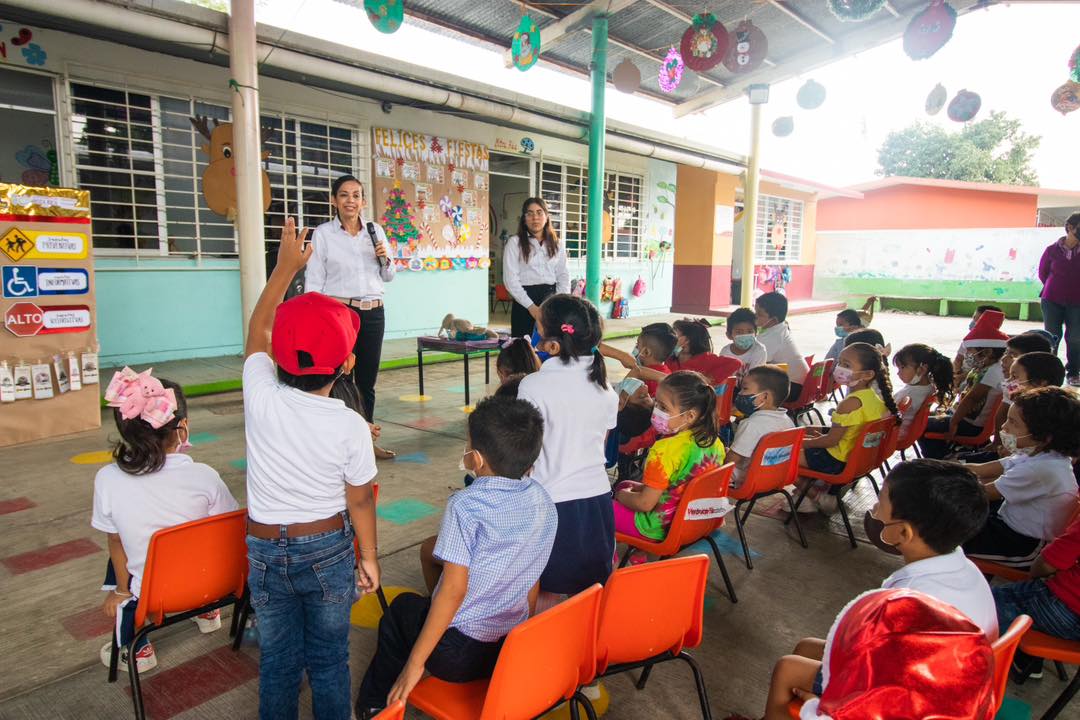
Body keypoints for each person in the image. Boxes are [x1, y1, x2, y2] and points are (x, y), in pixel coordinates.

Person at [243, 218, 380, 720]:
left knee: (278, 661)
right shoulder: (348, 423)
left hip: (262, 547)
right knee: (328, 660)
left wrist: (283, 270)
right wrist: (369, 557)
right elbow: (360, 499)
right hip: (326, 549)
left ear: (279, 355)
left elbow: (258, 328)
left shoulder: (259, 393)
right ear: (347, 365)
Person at [736, 459, 997, 720]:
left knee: (787, 669)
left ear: (903, 533)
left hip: (912, 701)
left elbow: (888, 693)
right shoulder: (966, 570)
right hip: (940, 680)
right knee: (806, 648)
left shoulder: (911, 603)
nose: (873, 510)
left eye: (880, 504)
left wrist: (822, 705)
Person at [356, 396, 557, 716]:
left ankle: (374, 705)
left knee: (400, 611)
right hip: (508, 650)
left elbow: (453, 591)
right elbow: (530, 576)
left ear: (475, 459)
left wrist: (414, 665)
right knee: (431, 596)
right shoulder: (543, 501)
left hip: (459, 655)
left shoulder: (465, 506)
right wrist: (518, 634)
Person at [92, 369, 237, 673]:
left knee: (119, 543)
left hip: (154, 596)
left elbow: (115, 541)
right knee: (199, 532)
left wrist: (120, 589)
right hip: (215, 585)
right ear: (182, 428)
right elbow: (230, 527)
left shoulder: (107, 479)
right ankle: (208, 615)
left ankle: (136, 649)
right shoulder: (205, 475)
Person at [734, 589, 994, 720]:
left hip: (891, 682)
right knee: (806, 649)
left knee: (788, 667)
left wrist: (817, 703)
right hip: (907, 677)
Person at [518, 295, 618, 601]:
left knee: (546, 597)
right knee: (588, 593)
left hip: (551, 505)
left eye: (537, 328)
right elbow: (599, 447)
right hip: (598, 504)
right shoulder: (605, 387)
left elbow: (525, 455)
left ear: (552, 345)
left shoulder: (533, 385)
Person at [306, 174, 397, 459]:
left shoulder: (375, 232)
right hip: (339, 314)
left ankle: (366, 442)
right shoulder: (323, 234)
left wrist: (385, 258)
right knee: (337, 378)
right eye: (344, 195)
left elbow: (389, 275)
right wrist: (317, 319)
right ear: (335, 200)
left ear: (363, 201)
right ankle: (336, 444)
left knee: (366, 381)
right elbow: (314, 280)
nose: (351, 200)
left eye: (356, 195)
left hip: (373, 312)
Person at [963, 386, 1080, 567]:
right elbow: (981, 470)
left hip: (1022, 545)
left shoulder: (1042, 469)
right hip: (1006, 524)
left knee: (939, 536)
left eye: (1013, 422)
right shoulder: (1036, 453)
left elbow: (981, 494)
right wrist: (938, 468)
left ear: (1044, 436)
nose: (1004, 426)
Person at [612, 371, 725, 540]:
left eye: (663, 407)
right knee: (625, 484)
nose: (655, 411)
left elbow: (645, 504)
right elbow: (679, 483)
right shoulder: (715, 443)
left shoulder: (664, 450)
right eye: (655, 402)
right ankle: (639, 553)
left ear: (690, 415)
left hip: (659, 527)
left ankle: (611, 558)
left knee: (598, 508)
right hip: (695, 519)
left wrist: (620, 496)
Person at [798, 342, 898, 490]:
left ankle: (812, 497)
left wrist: (801, 443)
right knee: (807, 437)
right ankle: (812, 493)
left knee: (783, 456)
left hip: (835, 460)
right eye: (840, 362)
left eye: (847, 365)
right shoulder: (875, 399)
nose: (840, 368)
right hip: (857, 460)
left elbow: (831, 441)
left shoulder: (850, 403)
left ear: (868, 374)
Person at [993, 512, 1080, 679]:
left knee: (983, 605)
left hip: (1063, 608)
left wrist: (1034, 578)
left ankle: (973, 668)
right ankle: (1024, 658)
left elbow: (1047, 564)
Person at [919, 310, 1008, 459]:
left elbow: (972, 398)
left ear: (988, 352)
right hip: (962, 417)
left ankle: (940, 460)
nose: (968, 355)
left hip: (970, 425)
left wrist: (953, 422)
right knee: (929, 417)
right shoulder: (984, 367)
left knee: (919, 426)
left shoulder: (993, 371)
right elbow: (964, 387)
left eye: (971, 351)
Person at [502, 197, 570, 337]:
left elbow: (564, 276)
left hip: (551, 301)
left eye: (539, 213)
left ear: (546, 217)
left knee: (552, 346)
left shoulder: (558, 244)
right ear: (524, 218)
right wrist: (531, 307)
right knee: (524, 350)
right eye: (530, 213)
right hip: (524, 302)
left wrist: (559, 303)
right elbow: (510, 280)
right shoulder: (514, 243)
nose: (535, 218)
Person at [726, 365, 795, 488]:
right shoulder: (788, 421)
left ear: (765, 397)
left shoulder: (751, 424)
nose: (740, 393)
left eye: (745, 389)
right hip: (776, 478)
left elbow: (731, 461)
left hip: (749, 479)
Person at [1039, 212, 1080, 386]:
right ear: (1070, 227)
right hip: (1051, 300)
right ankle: (1051, 373)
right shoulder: (1052, 249)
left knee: (1075, 337)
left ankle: (1073, 372)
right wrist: (1055, 287)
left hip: (1077, 302)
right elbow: (1043, 273)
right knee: (1051, 336)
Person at [755, 292, 809, 403]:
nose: (755, 317)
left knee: (747, 385)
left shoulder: (773, 336)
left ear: (774, 320)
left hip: (792, 388)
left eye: (759, 314)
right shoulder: (780, 329)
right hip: (801, 385)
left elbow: (756, 361)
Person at [891, 343, 953, 435]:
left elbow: (886, 415)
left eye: (902, 367)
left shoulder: (910, 393)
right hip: (907, 432)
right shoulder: (930, 388)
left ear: (922, 369)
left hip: (893, 435)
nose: (898, 373)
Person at [667, 317, 742, 385]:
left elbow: (736, 363)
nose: (671, 338)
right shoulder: (672, 356)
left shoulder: (707, 359)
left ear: (687, 340)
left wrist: (708, 379)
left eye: (675, 335)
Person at [953, 304, 1003, 385]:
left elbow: (981, 369)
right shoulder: (970, 340)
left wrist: (961, 377)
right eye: (973, 318)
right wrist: (956, 374)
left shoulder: (997, 346)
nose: (973, 322)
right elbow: (958, 359)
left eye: (978, 320)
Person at [718, 307, 768, 376]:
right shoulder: (725, 352)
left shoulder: (759, 351)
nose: (745, 335)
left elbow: (755, 380)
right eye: (739, 332)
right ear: (729, 335)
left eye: (750, 331)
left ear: (756, 333)